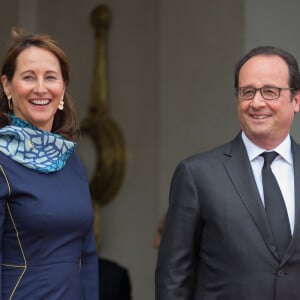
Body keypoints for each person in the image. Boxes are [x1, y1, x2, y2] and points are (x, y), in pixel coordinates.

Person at [155, 46, 300, 299]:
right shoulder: (197, 175)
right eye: (247, 92)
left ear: (296, 100)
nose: (257, 102)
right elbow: (173, 280)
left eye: (270, 91)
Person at [0, 28, 99, 299]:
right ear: (7, 85)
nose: (41, 88)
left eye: (51, 77)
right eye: (29, 77)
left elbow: (87, 254)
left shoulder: (71, 161)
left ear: (63, 87)